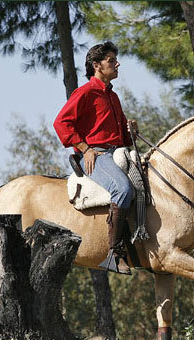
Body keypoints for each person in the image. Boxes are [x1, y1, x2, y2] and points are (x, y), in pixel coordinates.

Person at [53, 41, 138, 275]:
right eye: (111, 60)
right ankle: (114, 253)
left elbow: (122, 137)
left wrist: (131, 131)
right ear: (96, 66)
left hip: (117, 153)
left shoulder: (114, 97)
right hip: (95, 156)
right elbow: (61, 124)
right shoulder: (85, 92)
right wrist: (84, 148)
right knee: (123, 189)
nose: (117, 63)